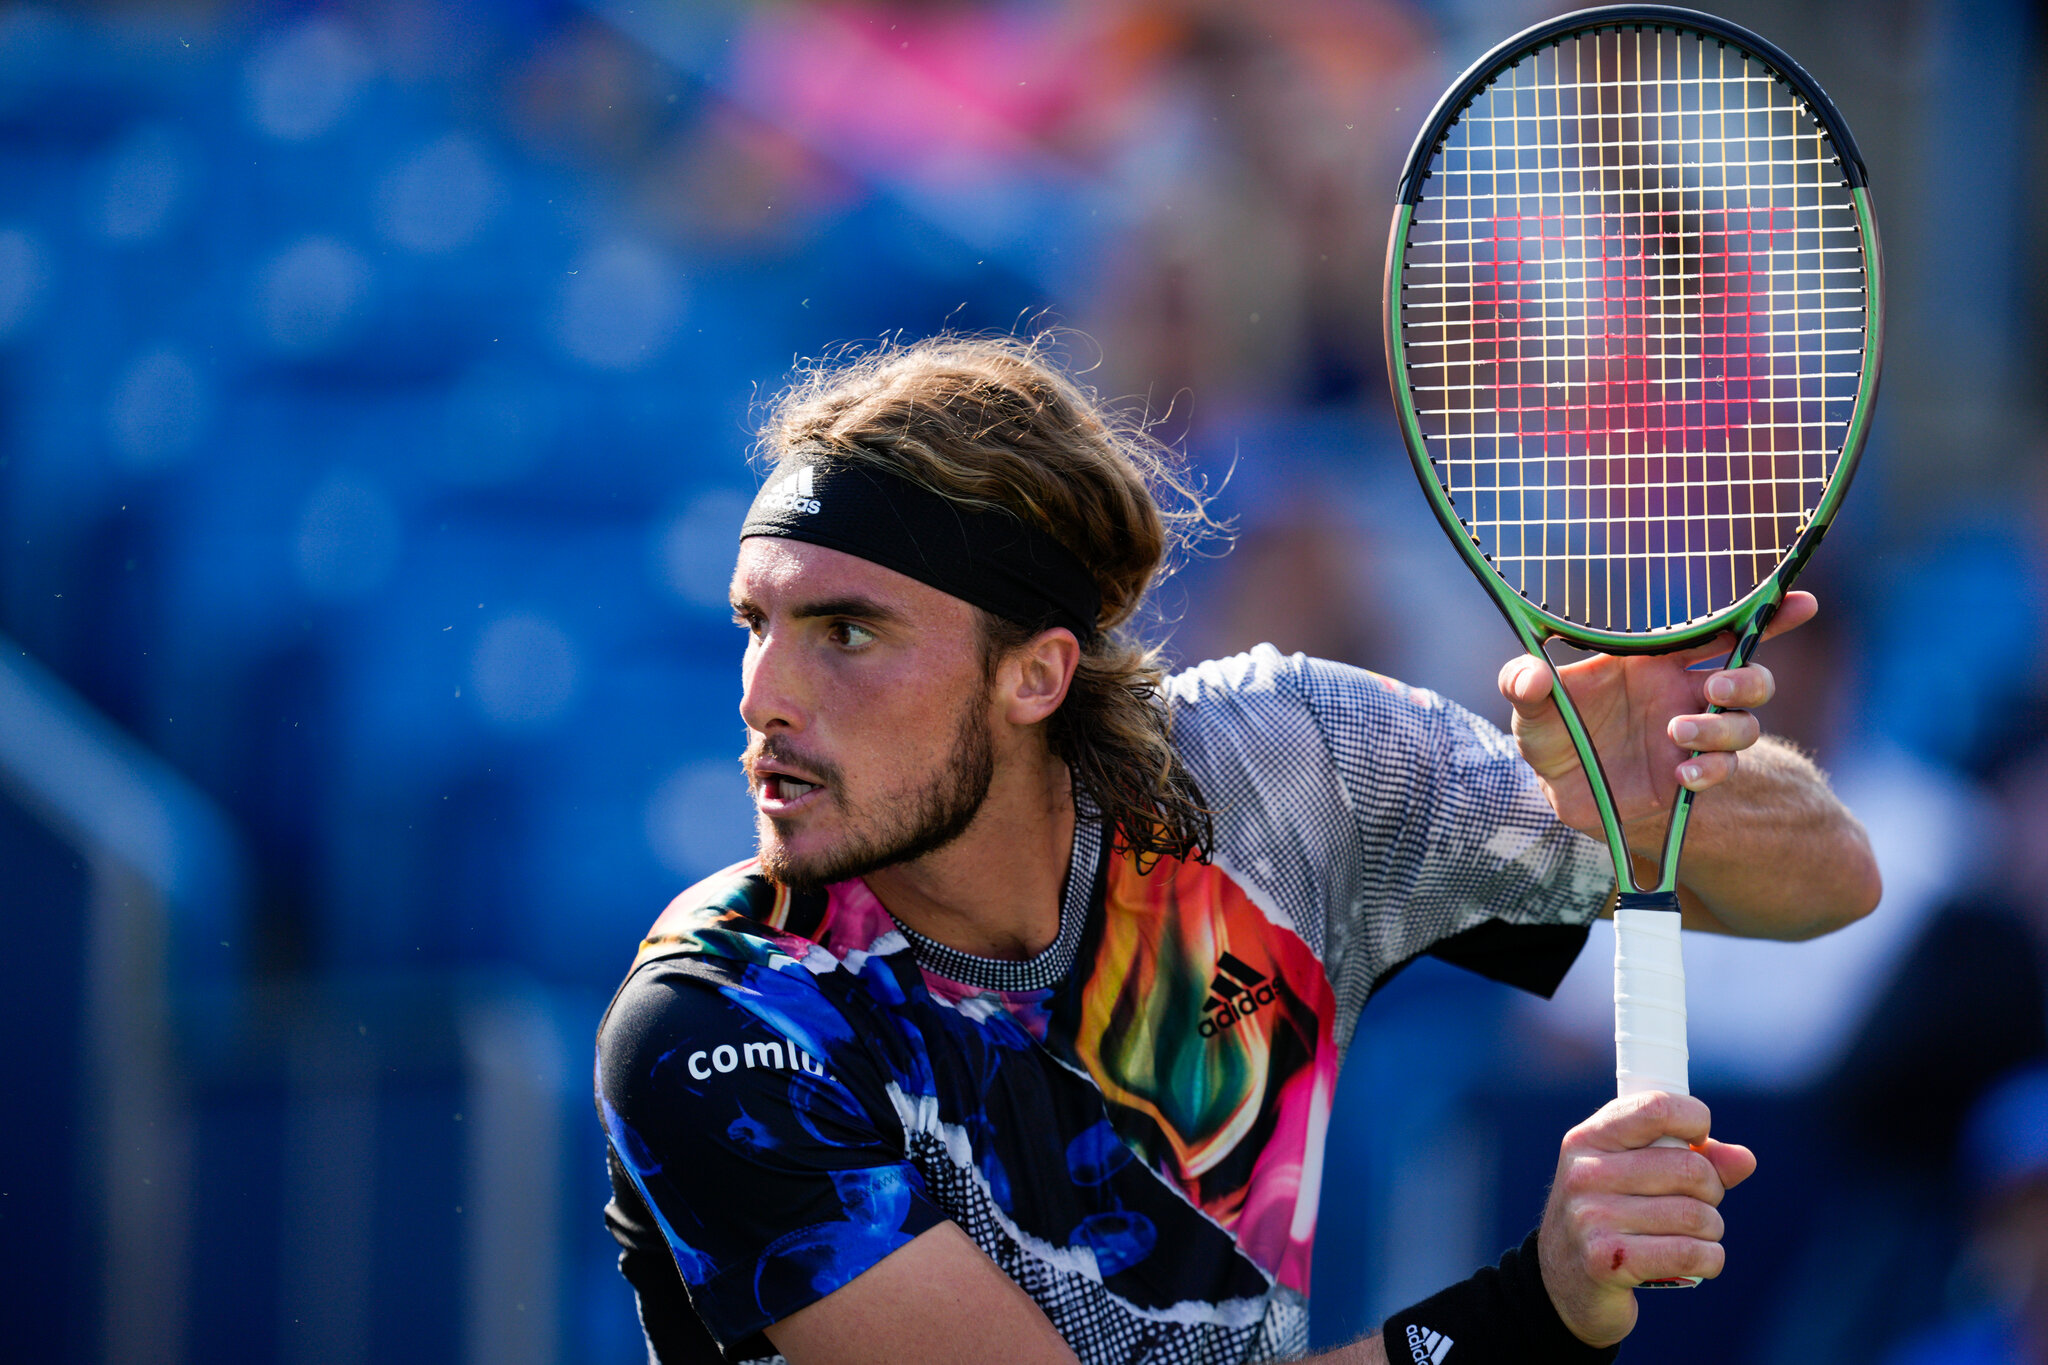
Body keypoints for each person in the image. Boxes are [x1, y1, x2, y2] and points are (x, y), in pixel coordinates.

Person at [595, 335, 1880, 1364]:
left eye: (847, 633)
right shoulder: (719, 1021)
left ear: (1035, 674)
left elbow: (1825, 884)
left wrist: (1641, 802)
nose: (765, 690)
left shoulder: (1286, 772)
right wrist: (1528, 1314)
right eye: (753, 623)